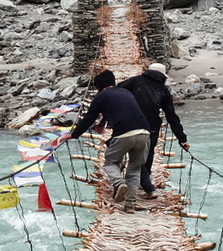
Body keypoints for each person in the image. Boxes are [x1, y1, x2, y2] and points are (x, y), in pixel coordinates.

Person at [54, 70, 151, 212]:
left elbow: (89, 118)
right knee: (135, 169)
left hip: (124, 134)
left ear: (98, 87)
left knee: (110, 162)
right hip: (144, 132)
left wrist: (74, 134)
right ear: (113, 82)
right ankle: (130, 205)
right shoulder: (127, 92)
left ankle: (119, 183)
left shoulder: (101, 96)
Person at [119, 62, 190, 199]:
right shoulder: (163, 90)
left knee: (137, 156)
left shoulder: (135, 81)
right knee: (148, 152)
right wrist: (182, 139)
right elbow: (172, 117)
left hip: (130, 125)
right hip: (152, 127)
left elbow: (116, 90)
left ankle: (148, 187)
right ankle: (147, 183)